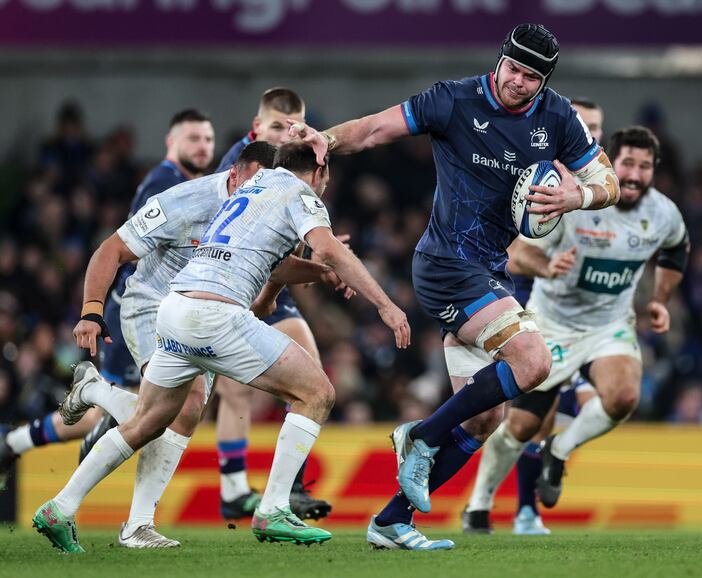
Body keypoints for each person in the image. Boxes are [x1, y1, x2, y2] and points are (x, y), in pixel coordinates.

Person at [294, 23, 620, 550]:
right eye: (512, 68)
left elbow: (610, 181)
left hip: (491, 273)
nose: (517, 82)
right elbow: (376, 129)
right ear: (500, 60)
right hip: (446, 266)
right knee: (533, 363)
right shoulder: (452, 100)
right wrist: (326, 140)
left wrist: (574, 197)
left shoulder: (558, 116)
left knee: (486, 416)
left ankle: (393, 522)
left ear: (544, 81)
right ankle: (419, 436)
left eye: (530, 77)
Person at [32, 141, 410, 553]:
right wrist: (387, 306)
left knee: (150, 419)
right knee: (317, 393)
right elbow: (330, 247)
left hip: (176, 310)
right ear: (319, 172)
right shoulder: (298, 192)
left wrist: (318, 274)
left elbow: (271, 262)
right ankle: (274, 507)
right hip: (204, 313)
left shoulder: (250, 190)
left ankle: (60, 506)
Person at [462, 126, 689, 533]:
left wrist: (659, 300)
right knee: (521, 427)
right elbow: (515, 252)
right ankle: (478, 505)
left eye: (645, 166)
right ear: (609, 166)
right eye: (627, 165)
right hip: (552, 326)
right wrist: (546, 266)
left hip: (609, 325)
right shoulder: (574, 201)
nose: (635, 175)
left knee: (623, 397)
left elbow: (677, 247)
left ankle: (559, 450)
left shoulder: (663, 213)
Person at [0, 109, 214, 485]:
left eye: (207, 139)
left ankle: (14, 442)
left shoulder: (184, 185)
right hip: (139, 312)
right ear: (171, 141)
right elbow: (128, 251)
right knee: (159, 407)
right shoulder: (164, 185)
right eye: (193, 138)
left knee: (140, 409)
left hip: (150, 311)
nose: (202, 147)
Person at [476, 97, 605, 536]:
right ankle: (513, 507)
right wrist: (547, 267)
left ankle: (509, 504)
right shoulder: (538, 179)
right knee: (531, 417)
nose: (591, 135)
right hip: (528, 307)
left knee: (566, 410)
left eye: (597, 128)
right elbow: (513, 249)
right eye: (584, 125)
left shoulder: (593, 192)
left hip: (582, 322)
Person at [215, 88, 332, 521]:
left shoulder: (300, 161)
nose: (288, 134)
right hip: (226, 281)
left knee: (312, 368)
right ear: (257, 127)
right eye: (278, 127)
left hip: (269, 279)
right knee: (223, 391)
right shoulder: (242, 163)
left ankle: (292, 487)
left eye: (295, 126)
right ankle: (232, 487)